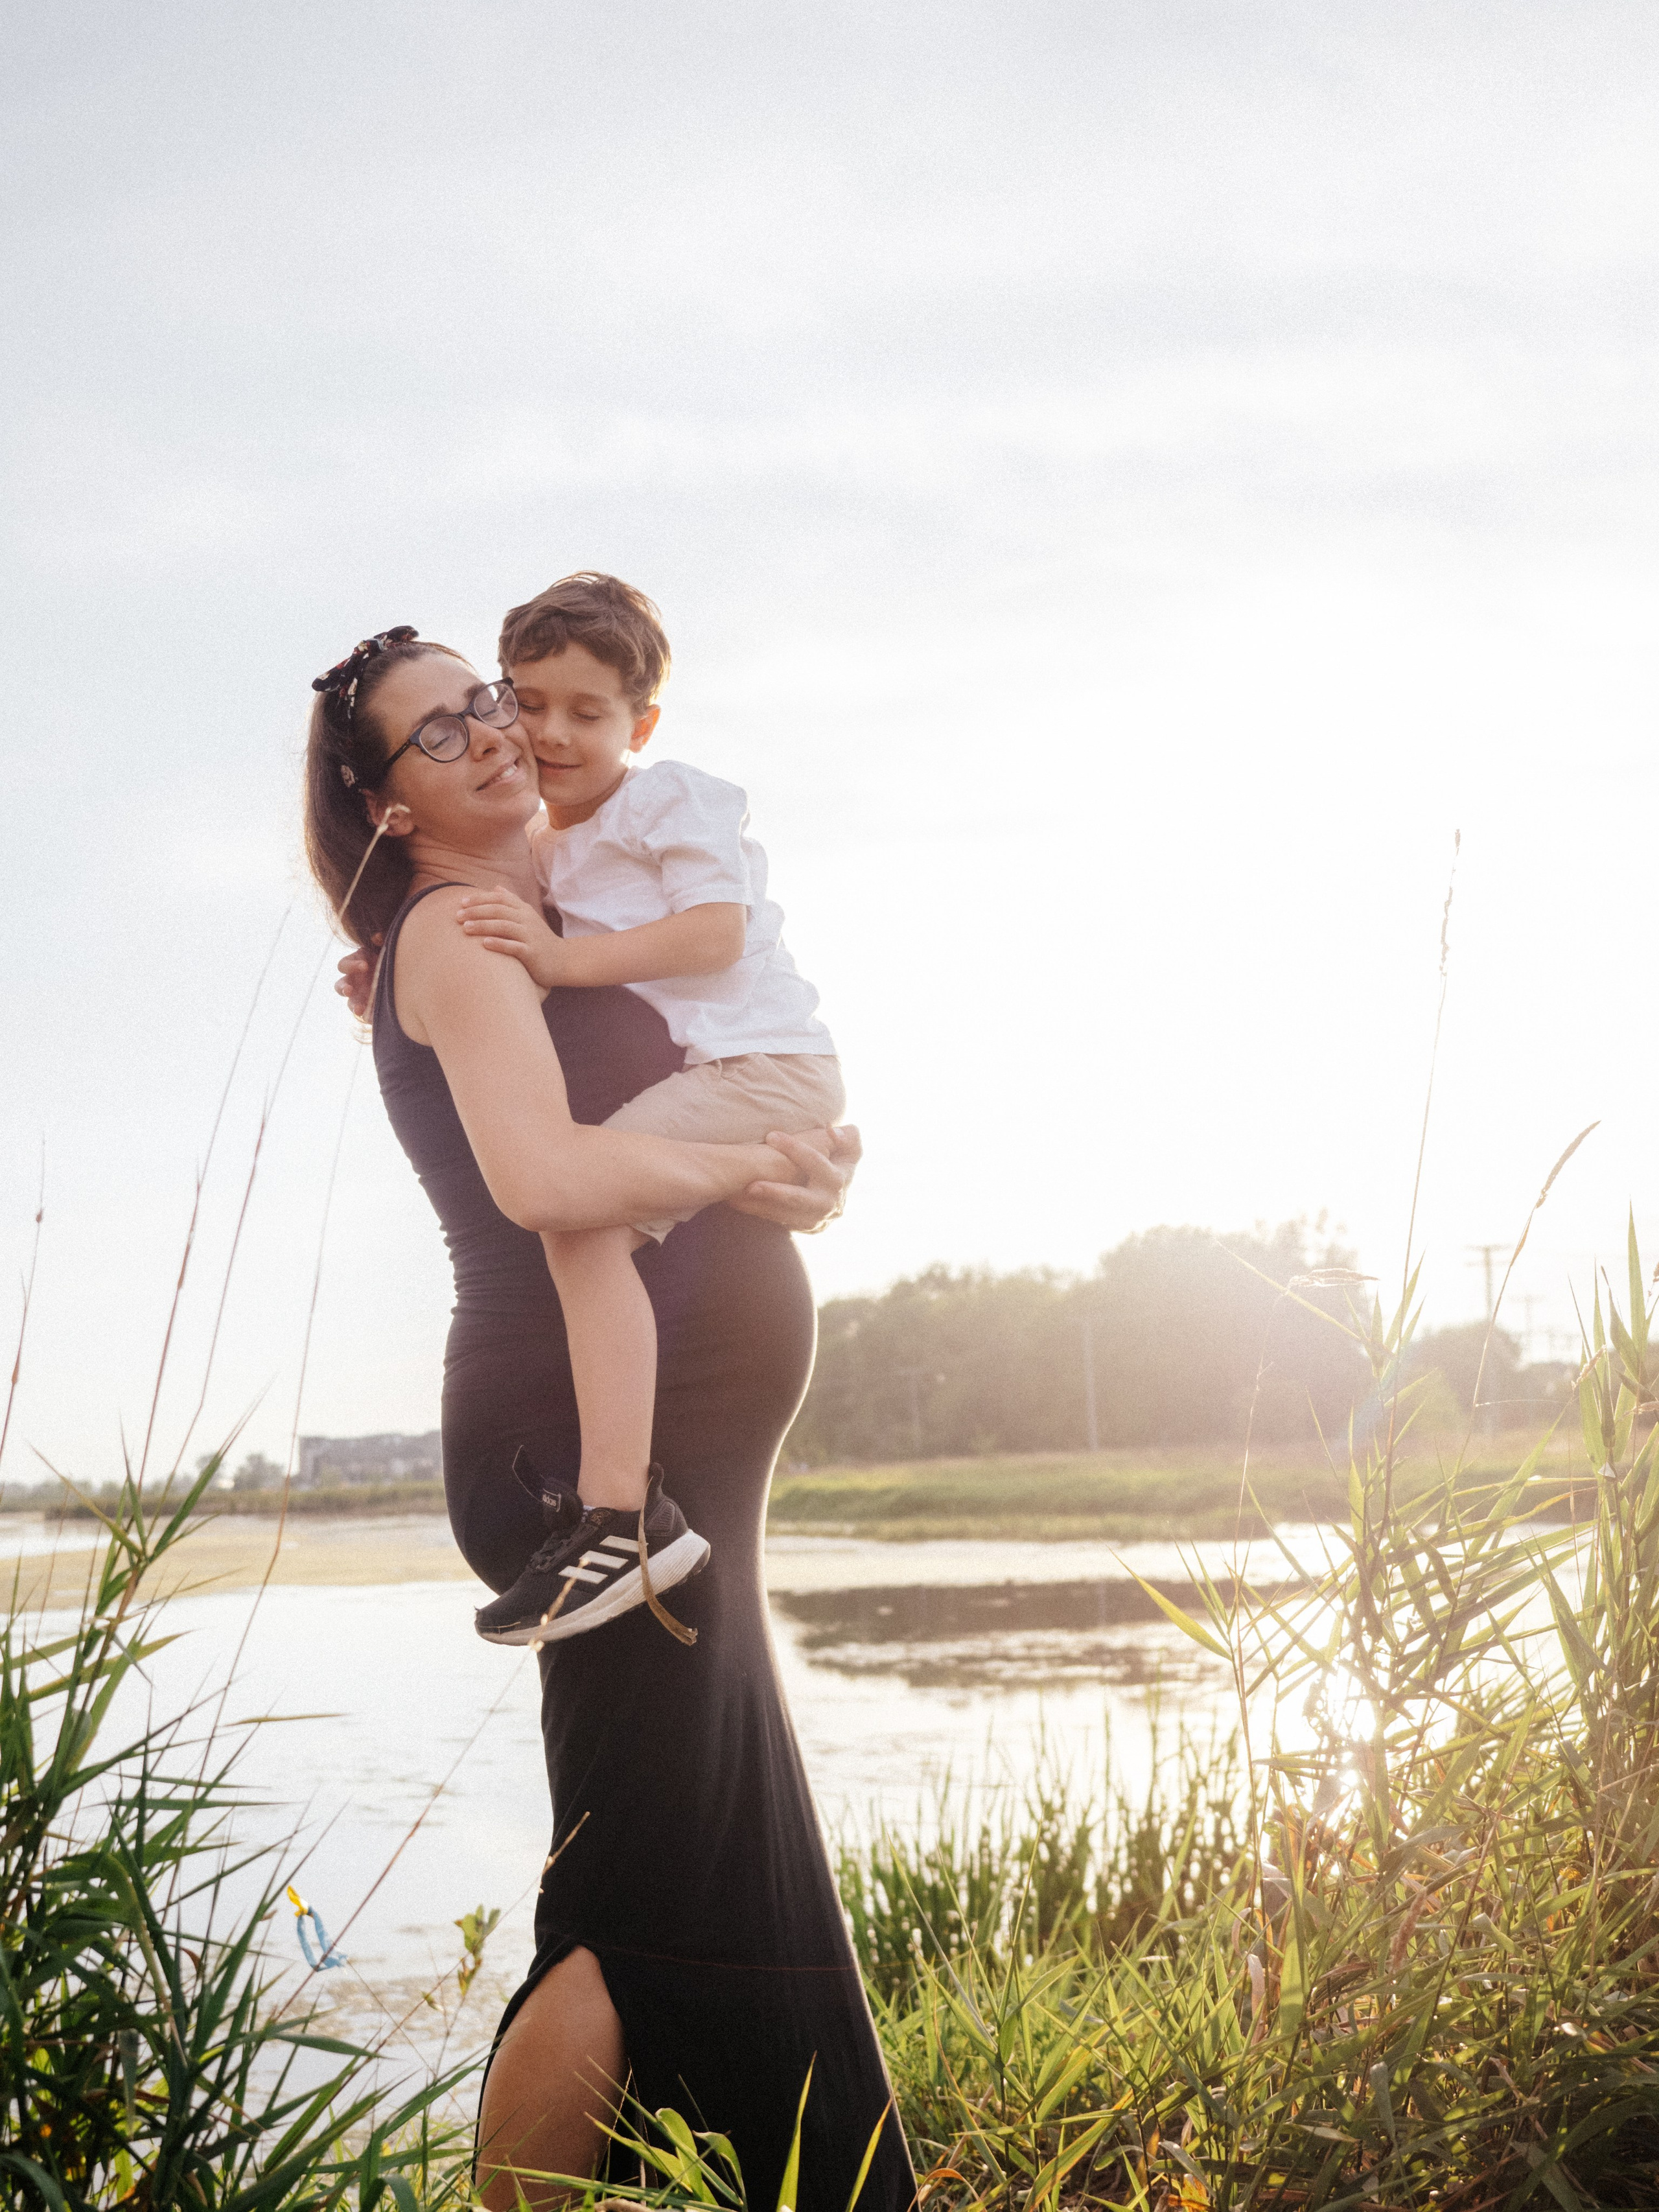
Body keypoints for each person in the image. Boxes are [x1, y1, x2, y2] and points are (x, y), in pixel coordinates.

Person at [306, 626, 914, 2212]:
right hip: (589, 1484)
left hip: (676, 1470)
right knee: (632, 1897)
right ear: (385, 802)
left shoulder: (566, 907)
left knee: (719, 1869)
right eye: (438, 732)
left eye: (486, 701)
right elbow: (553, 1185)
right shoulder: (455, 937)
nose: (492, 732)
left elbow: (718, 1088)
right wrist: (746, 1172)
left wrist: (805, 1171)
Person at [454, 575, 845, 1650]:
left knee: (579, 1219)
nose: (555, 732)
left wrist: (562, 957)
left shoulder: (670, 797)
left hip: (767, 1069)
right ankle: (617, 1513)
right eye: (530, 703)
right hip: (739, 1077)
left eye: (590, 712)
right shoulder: (541, 847)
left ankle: (617, 1518)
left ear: (642, 723)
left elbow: (716, 933)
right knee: (583, 1222)